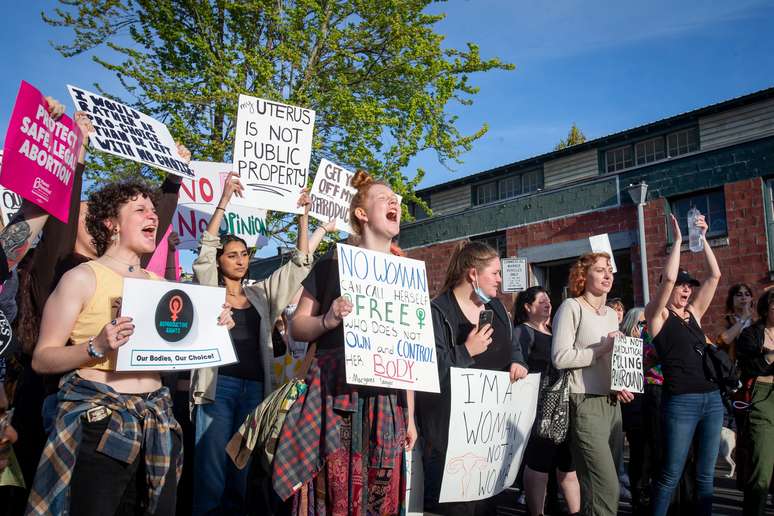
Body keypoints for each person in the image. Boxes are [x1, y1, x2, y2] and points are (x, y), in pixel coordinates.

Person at [27, 180, 234, 515]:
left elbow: (183, 347)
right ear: (111, 223)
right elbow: (42, 358)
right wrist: (96, 346)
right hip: (100, 426)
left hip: (157, 423)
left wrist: (215, 326)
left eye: (153, 210)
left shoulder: (162, 287)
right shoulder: (82, 277)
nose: (152, 215)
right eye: (140, 210)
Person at [272, 170, 416, 515]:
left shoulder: (407, 275)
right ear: (362, 214)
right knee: (333, 486)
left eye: (395, 199)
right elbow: (298, 327)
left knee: (379, 491)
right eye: (384, 198)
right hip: (336, 394)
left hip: (386, 400)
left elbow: (411, 353)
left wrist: (411, 418)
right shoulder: (329, 267)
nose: (394, 202)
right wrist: (328, 320)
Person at [190, 174, 330, 515]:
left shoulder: (261, 294)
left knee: (239, 470)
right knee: (211, 470)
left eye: (245, 254)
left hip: (254, 390)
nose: (240, 260)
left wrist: (303, 217)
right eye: (232, 255)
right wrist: (223, 201)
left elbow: (299, 263)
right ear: (221, 262)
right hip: (217, 387)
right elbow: (205, 251)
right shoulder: (208, 289)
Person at [415, 241, 528, 515]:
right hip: (452, 437)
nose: (500, 280)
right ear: (473, 274)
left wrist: (518, 361)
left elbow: (512, 345)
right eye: (495, 273)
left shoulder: (498, 309)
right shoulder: (438, 311)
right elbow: (427, 369)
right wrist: (467, 350)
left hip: (489, 433)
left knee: (488, 506)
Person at [646, 213, 723, 516]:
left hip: (712, 400)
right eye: (681, 285)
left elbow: (715, 276)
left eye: (688, 285)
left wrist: (702, 239)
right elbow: (667, 279)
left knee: (706, 477)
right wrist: (678, 241)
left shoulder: (694, 314)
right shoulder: (658, 316)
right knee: (670, 475)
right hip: (681, 403)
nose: (685, 289)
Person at [551, 251, 633, 516]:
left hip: (612, 404)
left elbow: (609, 358)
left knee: (600, 488)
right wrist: (601, 349)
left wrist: (620, 381)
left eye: (609, 269)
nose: (607, 274)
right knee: (605, 486)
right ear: (582, 276)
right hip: (584, 402)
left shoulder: (611, 313)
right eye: (599, 269)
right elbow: (560, 357)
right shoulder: (571, 307)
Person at [515, 286, 580, 516]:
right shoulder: (523, 331)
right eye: (541, 300)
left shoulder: (556, 331)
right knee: (539, 462)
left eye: (549, 300)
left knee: (567, 463)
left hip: (564, 407)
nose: (548, 303)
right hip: (539, 408)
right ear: (527, 306)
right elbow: (517, 361)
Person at [737, 290, 774, 516]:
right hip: (763, 397)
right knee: (762, 468)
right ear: (766, 308)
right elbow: (750, 366)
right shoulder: (752, 334)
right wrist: (770, 356)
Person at [619, 307, 648, 514]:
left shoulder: (653, 344)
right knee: (639, 453)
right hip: (634, 407)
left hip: (653, 404)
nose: (643, 328)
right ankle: (639, 497)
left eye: (646, 324)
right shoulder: (623, 347)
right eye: (640, 324)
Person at [717, 283, 755, 362]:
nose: (743, 298)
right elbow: (723, 341)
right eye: (739, 295)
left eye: (747, 294)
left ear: (751, 299)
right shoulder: (725, 321)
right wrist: (743, 318)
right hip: (735, 368)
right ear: (731, 300)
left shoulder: (757, 321)